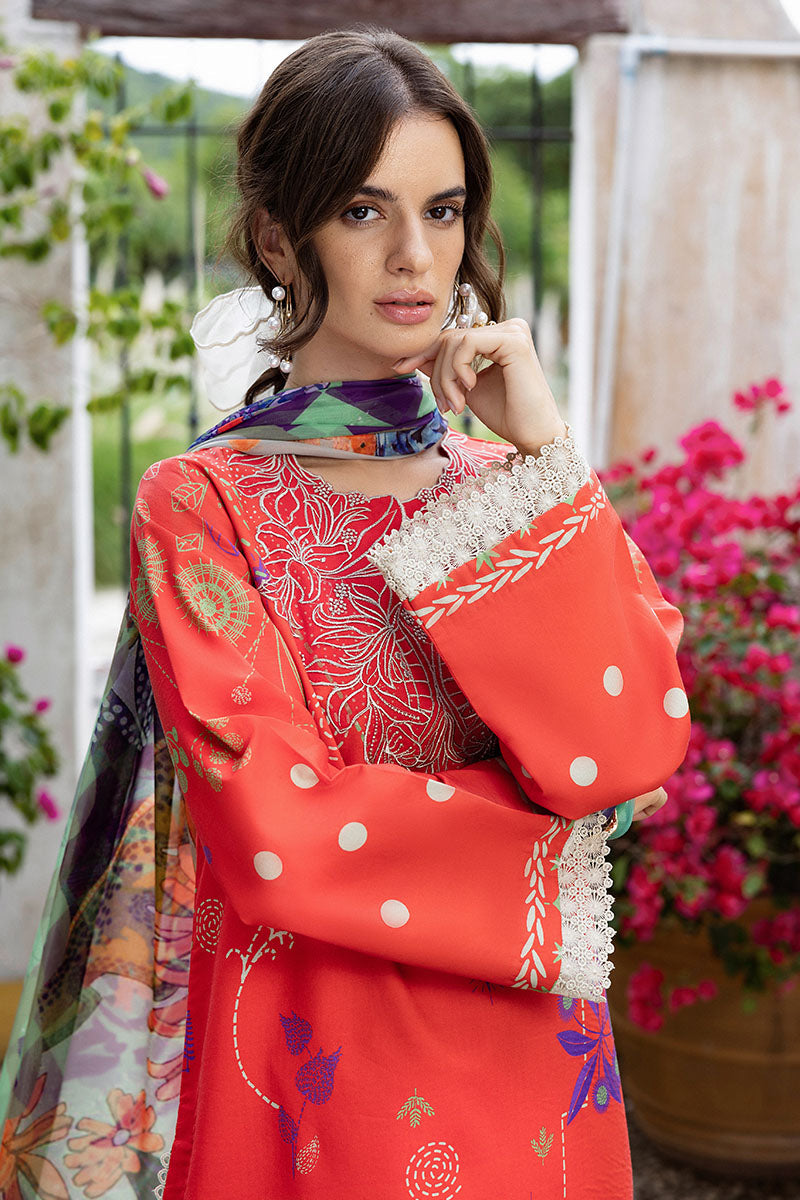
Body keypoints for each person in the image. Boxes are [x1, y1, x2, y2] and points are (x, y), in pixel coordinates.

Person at [0, 27, 688, 1200]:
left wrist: (546, 454)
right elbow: (277, 835)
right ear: (280, 237)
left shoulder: (512, 492)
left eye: (444, 210)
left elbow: (625, 751)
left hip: (532, 1051)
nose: (415, 256)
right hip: (305, 1056)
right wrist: (555, 838)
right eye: (364, 211)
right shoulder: (202, 504)